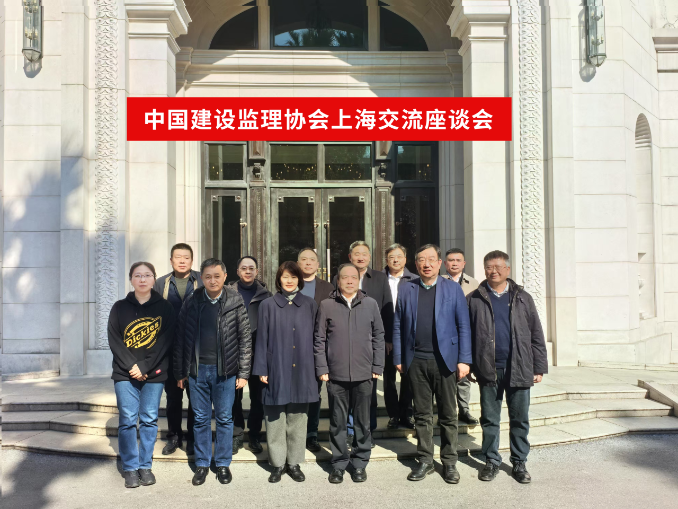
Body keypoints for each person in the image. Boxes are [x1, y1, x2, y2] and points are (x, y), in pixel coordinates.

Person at [466, 250, 548, 484]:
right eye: (489, 267)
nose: (494, 271)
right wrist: (469, 363)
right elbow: (467, 334)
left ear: (507, 269)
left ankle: (519, 462)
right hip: (488, 368)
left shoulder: (523, 297)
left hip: (519, 366)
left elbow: (536, 333)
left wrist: (539, 366)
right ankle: (491, 461)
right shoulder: (474, 298)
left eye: (498, 267)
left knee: (519, 418)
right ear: (484, 270)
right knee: (490, 419)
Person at [393, 244, 471, 484]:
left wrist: (464, 359)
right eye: (421, 260)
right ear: (416, 264)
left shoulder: (452, 289)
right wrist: (398, 358)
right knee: (422, 415)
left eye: (431, 259)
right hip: (416, 361)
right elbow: (398, 325)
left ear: (439, 263)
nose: (426, 264)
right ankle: (425, 459)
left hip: (445, 361)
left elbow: (463, 325)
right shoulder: (407, 288)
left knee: (448, 414)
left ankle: (449, 462)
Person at [174, 258, 252, 486]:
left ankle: (223, 463)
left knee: (225, 418)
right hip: (197, 371)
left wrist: (243, 373)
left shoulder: (235, 301)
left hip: (225, 372)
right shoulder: (192, 301)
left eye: (217, 276)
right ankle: (202, 463)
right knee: (200, 419)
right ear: (201, 278)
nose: (212, 280)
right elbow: (180, 338)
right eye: (207, 276)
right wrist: (180, 372)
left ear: (225, 277)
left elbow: (245, 339)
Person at [315, 263, 385, 484]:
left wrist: (377, 366)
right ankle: (338, 463)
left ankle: (360, 463)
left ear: (359, 280)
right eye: (345, 277)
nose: (349, 281)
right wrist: (322, 368)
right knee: (337, 422)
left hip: (364, 374)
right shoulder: (327, 305)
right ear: (338, 280)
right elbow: (319, 339)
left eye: (353, 277)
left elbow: (379, 337)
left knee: (362, 423)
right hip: (335, 375)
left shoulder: (370, 304)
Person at [109, 262, 176, 488]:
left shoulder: (165, 308)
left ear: (154, 279)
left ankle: (145, 465)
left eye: (147, 275)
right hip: (124, 373)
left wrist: (145, 367)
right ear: (131, 279)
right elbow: (114, 340)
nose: (142, 279)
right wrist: (132, 366)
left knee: (149, 419)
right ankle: (130, 467)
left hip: (154, 374)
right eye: (138, 275)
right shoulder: (119, 307)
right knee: (128, 420)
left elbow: (165, 341)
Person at [253, 261, 319, 483]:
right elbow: (261, 339)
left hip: (303, 367)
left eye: (293, 277)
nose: (289, 281)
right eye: (285, 277)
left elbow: (317, 338)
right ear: (278, 279)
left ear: (299, 279)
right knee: (275, 418)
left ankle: (294, 463)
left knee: (298, 419)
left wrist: (318, 367)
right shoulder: (268, 305)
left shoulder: (309, 304)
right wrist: (262, 368)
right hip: (276, 367)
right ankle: (278, 464)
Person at [332, 241, 392, 448]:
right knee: (347, 397)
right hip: (345, 346)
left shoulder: (380, 278)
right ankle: (350, 433)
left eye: (364, 253)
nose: (360, 257)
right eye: (356, 253)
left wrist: (387, 340)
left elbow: (387, 310)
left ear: (369, 257)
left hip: (369, 346)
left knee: (368, 395)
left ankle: (368, 432)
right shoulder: (339, 277)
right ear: (350, 257)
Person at [154, 243, 202, 456]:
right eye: (178, 257)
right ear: (171, 260)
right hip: (170, 350)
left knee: (195, 397)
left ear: (192, 260)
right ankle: (174, 436)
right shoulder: (161, 284)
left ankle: (193, 438)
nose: (182, 261)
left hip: (196, 350)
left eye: (186, 257)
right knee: (173, 397)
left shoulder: (201, 280)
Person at [229, 256, 272, 455]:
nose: (247, 271)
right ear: (237, 271)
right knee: (233, 398)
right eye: (244, 268)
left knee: (258, 397)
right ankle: (236, 435)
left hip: (258, 353)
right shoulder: (227, 293)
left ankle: (254, 435)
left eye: (251, 268)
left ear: (257, 271)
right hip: (233, 353)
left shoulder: (266, 296)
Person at [297, 247, 334, 453]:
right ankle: (295, 433)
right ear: (298, 263)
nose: (308, 263)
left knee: (314, 393)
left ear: (318, 265)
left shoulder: (327, 287)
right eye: (304, 259)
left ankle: (311, 433)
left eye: (312, 260)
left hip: (318, 348)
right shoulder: (290, 284)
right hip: (293, 348)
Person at [442, 248, 479, 425]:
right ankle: (446, 411)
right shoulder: (438, 281)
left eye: (458, 260)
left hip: (465, 335)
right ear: (444, 263)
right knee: (445, 376)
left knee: (464, 374)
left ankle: (464, 410)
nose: (454, 263)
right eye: (451, 260)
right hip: (444, 336)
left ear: (464, 264)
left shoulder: (473, 284)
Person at [382, 243, 416, 430]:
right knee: (389, 378)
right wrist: (386, 338)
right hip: (386, 337)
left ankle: (407, 413)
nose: (395, 260)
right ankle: (393, 415)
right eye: (391, 257)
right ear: (386, 260)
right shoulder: (379, 279)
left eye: (399, 256)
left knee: (408, 377)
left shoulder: (414, 279)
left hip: (408, 337)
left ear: (405, 259)